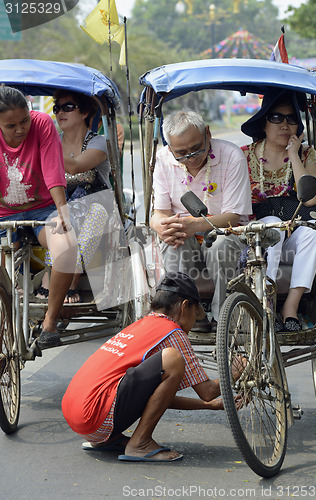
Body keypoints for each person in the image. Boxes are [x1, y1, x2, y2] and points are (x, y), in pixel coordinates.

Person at [61, 271, 236, 462]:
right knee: (173, 359)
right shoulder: (173, 332)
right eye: (196, 313)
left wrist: (210, 406)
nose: (195, 321)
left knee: (165, 364)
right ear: (185, 307)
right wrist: (235, 372)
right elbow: (208, 391)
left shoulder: (142, 324)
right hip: (96, 417)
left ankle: (105, 440)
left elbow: (156, 398)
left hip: (81, 419)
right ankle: (140, 443)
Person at [150, 110, 252, 333]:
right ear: (169, 147)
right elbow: (160, 212)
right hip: (185, 239)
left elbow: (233, 217)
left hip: (226, 235)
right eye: (182, 153)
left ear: (208, 133)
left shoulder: (232, 156)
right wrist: (159, 225)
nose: (191, 157)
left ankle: (223, 314)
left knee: (220, 244)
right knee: (171, 240)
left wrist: (192, 225)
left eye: (196, 148)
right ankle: (190, 312)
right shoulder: (162, 159)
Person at [241, 90, 316, 332]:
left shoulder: (306, 153)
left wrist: (293, 154)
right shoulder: (244, 155)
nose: (285, 125)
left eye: (291, 119)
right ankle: (265, 301)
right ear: (264, 122)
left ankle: (290, 306)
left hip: (294, 234)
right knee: (270, 225)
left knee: (314, 233)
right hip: (254, 237)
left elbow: (311, 199)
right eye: (277, 118)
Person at [0, 85, 77, 348]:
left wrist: (63, 211)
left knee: (66, 247)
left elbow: (53, 170)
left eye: (24, 120)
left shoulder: (42, 124)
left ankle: (50, 322)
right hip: (3, 213)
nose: (21, 129)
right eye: (11, 126)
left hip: (43, 207)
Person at [36, 90, 112, 304]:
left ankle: (72, 279)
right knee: (59, 217)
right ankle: (49, 275)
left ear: (85, 112)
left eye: (68, 107)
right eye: (57, 107)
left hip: (96, 203)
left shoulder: (98, 142)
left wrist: (43, 148)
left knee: (90, 212)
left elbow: (77, 166)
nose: (60, 112)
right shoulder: (53, 141)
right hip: (62, 205)